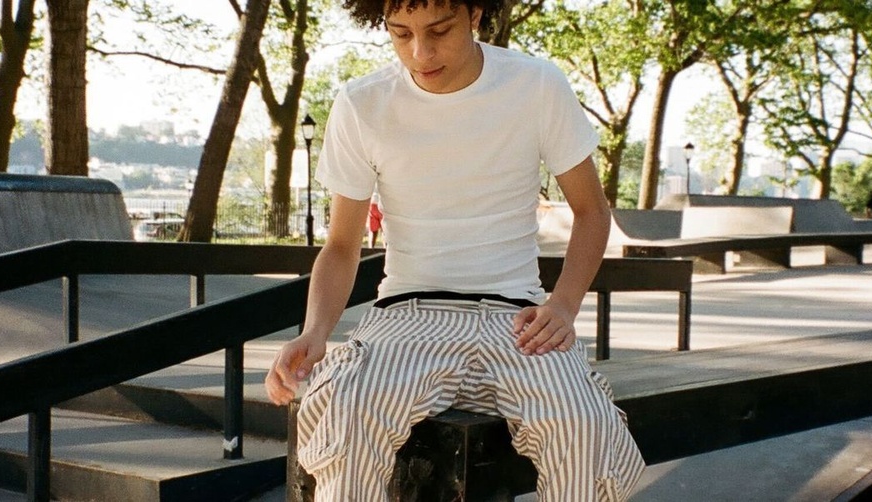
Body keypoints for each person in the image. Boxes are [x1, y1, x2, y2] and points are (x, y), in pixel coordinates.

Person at [263, 0, 645, 499]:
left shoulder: (535, 84)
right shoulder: (362, 103)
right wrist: (315, 330)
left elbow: (592, 212)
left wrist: (563, 305)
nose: (420, 52)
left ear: (475, 16)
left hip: (518, 319)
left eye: (439, 31)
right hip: (408, 316)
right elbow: (340, 245)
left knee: (584, 428)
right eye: (401, 34)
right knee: (347, 415)